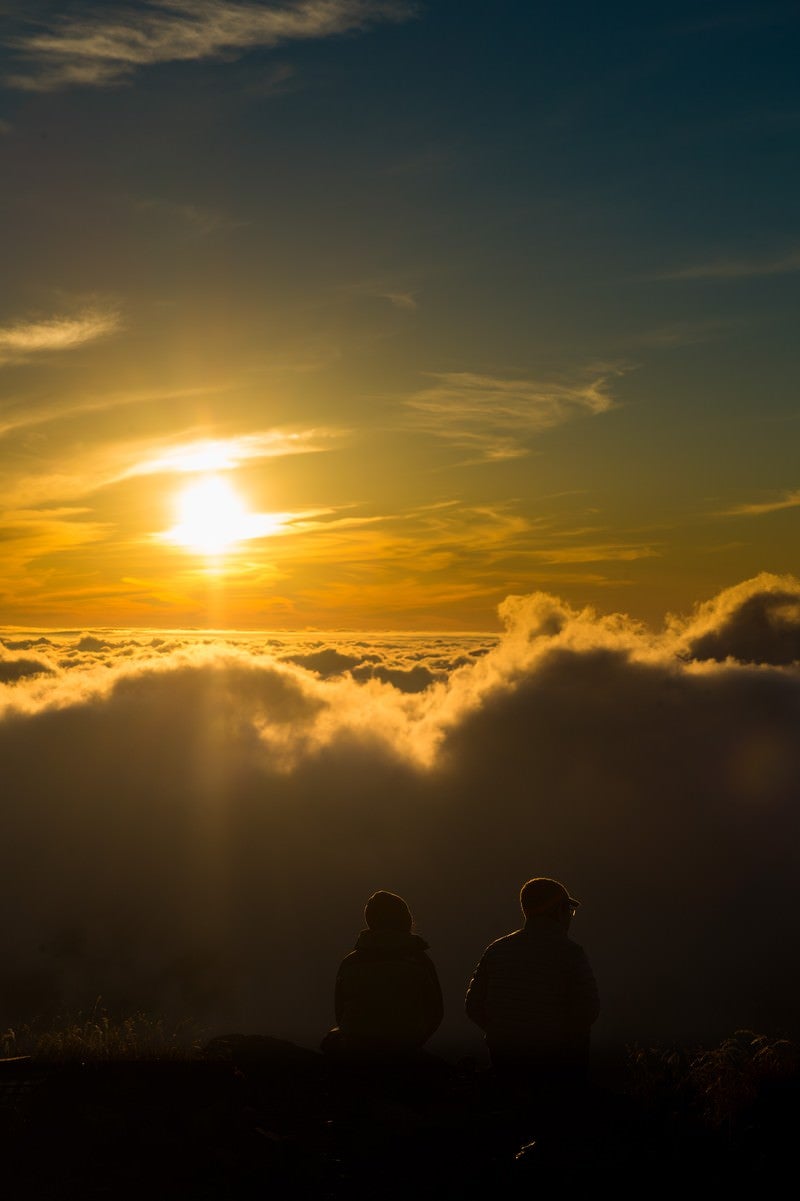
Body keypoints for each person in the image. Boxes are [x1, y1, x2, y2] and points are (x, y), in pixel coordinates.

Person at [465, 877, 599, 1101]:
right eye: (568, 910)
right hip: (554, 1064)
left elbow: (473, 1006)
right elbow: (589, 1010)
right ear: (558, 911)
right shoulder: (571, 953)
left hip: (504, 1059)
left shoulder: (497, 950)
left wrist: (502, 1030)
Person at [322, 890, 444, 1061]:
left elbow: (340, 1011)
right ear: (405, 921)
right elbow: (436, 1011)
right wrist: (415, 1040)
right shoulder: (420, 961)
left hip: (357, 1046)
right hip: (405, 1044)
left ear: (369, 920)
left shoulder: (349, 963)